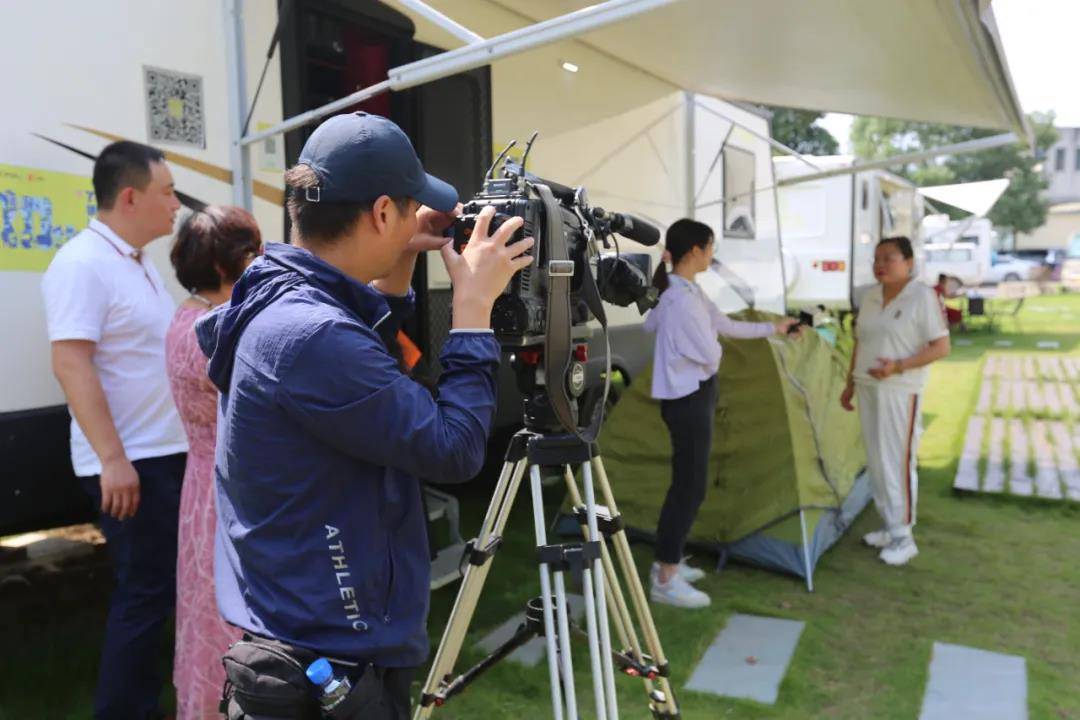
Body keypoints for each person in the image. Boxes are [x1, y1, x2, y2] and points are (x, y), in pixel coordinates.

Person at [194, 112, 533, 719]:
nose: (412, 220)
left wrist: (399, 261)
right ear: (380, 212)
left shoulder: (276, 296)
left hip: (297, 636)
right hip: (328, 662)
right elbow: (453, 449)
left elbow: (359, 378)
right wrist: (474, 309)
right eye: (407, 210)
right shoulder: (313, 335)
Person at [42, 140, 187, 719]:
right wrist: (113, 459)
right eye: (167, 191)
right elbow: (70, 362)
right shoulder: (82, 263)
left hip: (163, 454)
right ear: (130, 196)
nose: (177, 204)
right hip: (134, 463)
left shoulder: (136, 260)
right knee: (146, 596)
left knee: (158, 593)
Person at [644, 219, 798, 608]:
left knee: (688, 483)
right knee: (689, 487)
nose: (713, 255)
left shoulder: (686, 291)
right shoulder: (680, 300)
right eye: (710, 248)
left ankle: (671, 559)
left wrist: (774, 328)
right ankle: (665, 577)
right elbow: (711, 354)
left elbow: (724, 326)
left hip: (690, 396)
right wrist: (711, 352)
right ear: (694, 250)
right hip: (688, 400)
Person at [165, 206, 262, 719]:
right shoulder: (221, 329)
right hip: (232, 490)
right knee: (231, 616)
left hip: (198, 484)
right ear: (230, 264)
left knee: (203, 615)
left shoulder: (184, 318)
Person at [841, 237, 950, 566]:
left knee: (897, 461)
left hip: (900, 389)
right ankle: (890, 527)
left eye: (889, 258)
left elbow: (941, 347)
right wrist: (849, 384)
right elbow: (862, 344)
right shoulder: (871, 296)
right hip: (867, 387)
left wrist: (898, 366)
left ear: (909, 262)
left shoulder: (922, 296)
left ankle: (904, 538)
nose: (881, 264)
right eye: (877, 258)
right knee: (876, 461)